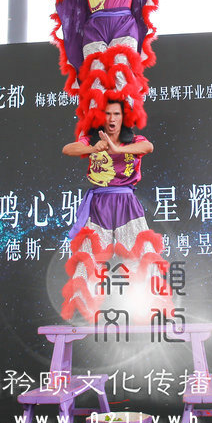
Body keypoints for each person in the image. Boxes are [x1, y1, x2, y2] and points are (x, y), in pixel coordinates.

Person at [60, 100, 172, 322]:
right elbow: (67, 149)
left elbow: (148, 147)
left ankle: (151, 307)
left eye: (116, 114)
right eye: (108, 114)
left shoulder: (134, 140)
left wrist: (117, 149)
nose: (112, 119)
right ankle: (82, 308)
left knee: (141, 253)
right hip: (99, 204)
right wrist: (93, 149)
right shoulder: (93, 139)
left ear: (123, 117)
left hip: (126, 204)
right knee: (88, 256)